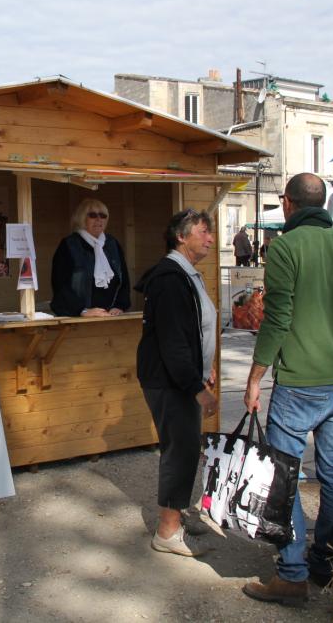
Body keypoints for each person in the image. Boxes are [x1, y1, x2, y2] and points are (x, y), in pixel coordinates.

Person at [241, 173, 333, 606]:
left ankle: (292, 574)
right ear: (326, 204)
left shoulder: (284, 248)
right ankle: (326, 563)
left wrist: (255, 377)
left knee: (284, 477)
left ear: (288, 204)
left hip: (300, 385)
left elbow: (277, 320)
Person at [135, 209, 219, 557]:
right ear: (181, 237)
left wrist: (205, 367)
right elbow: (172, 342)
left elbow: (193, 330)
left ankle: (178, 512)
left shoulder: (185, 274)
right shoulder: (171, 278)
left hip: (182, 376)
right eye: (203, 232)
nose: (210, 238)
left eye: (210, 233)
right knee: (180, 449)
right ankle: (167, 531)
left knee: (185, 447)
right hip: (171, 380)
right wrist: (196, 387)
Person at [50, 198, 130, 317]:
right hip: (77, 316)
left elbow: (124, 280)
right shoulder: (69, 245)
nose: (98, 219)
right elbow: (60, 285)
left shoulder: (112, 244)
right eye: (92, 215)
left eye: (103, 215)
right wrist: (83, 311)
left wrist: (119, 306)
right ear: (82, 218)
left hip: (110, 315)